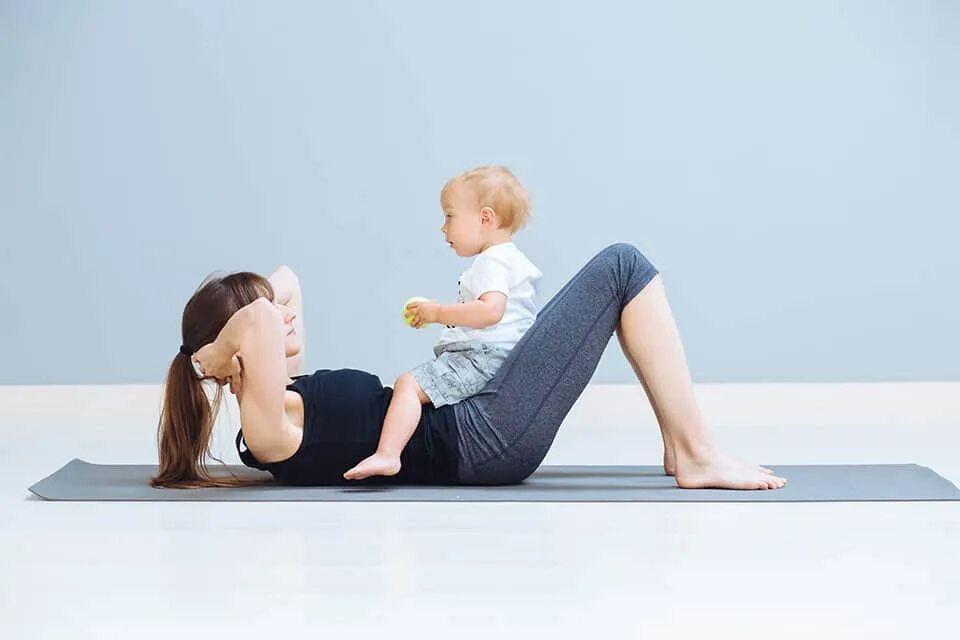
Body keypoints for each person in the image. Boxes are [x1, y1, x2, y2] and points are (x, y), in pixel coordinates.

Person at [152, 244, 786, 491]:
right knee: (622, 268)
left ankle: (683, 447)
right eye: (264, 319)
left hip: (477, 423)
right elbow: (264, 316)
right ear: (236, 348)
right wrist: (206, 357)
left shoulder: (284, 394)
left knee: (623, 270)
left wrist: (230, 339)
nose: (282, 318)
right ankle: (697, 451)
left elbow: (286, 283)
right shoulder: (266, 428)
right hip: (484, 438)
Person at [344, 165, 543, 481]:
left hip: (483, 358)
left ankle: (388, 454)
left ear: (485, 218)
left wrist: (437, 312)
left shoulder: (490, 262)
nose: (443, 228)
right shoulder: (512, 259)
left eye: (449, 217)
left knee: (408, 385)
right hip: (502, 358)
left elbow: (491, 311)